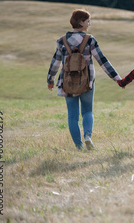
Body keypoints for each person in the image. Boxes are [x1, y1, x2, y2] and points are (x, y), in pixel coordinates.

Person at [47, 9, 121, 150]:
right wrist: (116, 78)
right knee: (87, 112)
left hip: (67, 83)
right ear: (81, 22)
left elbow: (55, 63)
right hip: (87, 82)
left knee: (72, 116)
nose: (89, 24)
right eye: (88, 21)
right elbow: (102, 60)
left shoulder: (61, 41)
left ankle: (79, 146)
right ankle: (87, 136)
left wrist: (50, 79)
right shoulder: (90, 40)